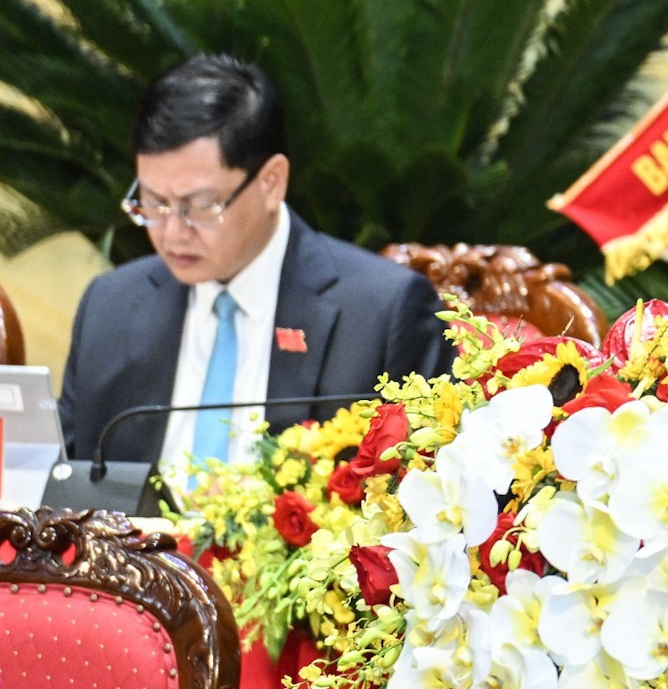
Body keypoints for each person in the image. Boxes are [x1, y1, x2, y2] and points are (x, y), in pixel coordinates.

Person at [60, 56, 452, 466]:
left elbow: (418, 491)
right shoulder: (110, 306)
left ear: (271, 182)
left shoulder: (381, 314)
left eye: (201, 205)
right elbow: (65, 479)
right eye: (155, 203)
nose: (172, 231)